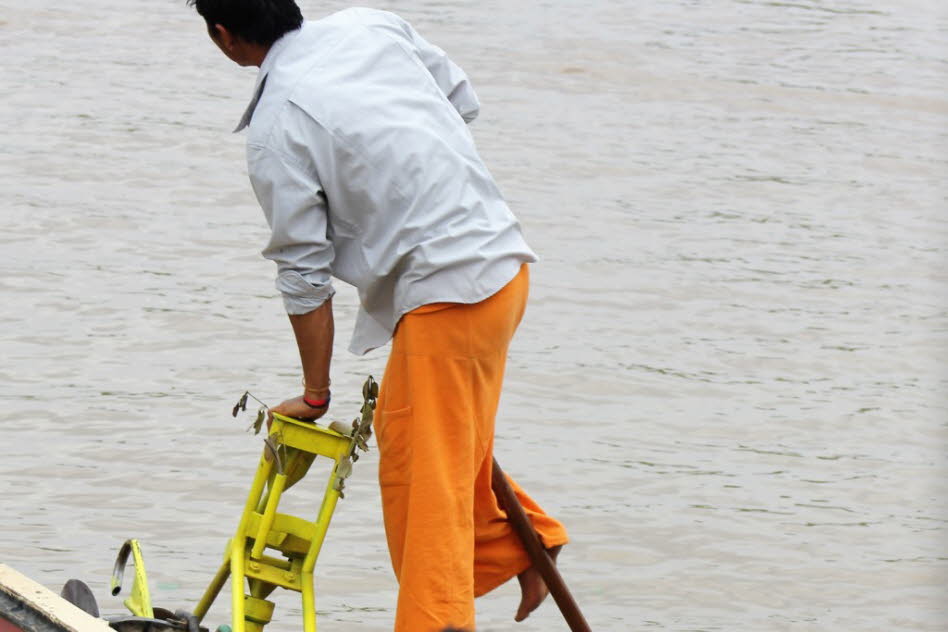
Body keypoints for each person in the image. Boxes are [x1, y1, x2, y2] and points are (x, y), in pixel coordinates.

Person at [187, 1, 569, 630]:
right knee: (413, 442)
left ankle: (439, 621)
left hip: (451, 299)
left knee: (427, 492)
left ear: (223, 36)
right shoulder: (370, 25)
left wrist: (315, 394)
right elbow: (459, 101)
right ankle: (520, 543)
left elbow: (303, 276)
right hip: (500, 269)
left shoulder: (277, 125)